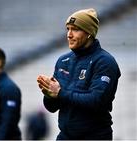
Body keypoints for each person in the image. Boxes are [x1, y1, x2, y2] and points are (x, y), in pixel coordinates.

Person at [37, 8, 121, 140]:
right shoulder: (63, 61)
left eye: (75, 29)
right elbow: (52, 108)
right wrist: (49, 95)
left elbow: (96, 101)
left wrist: (60, 93)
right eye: (68, 29)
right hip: (65, 136)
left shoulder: (104, 62)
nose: (69, 35)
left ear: (89, 33)